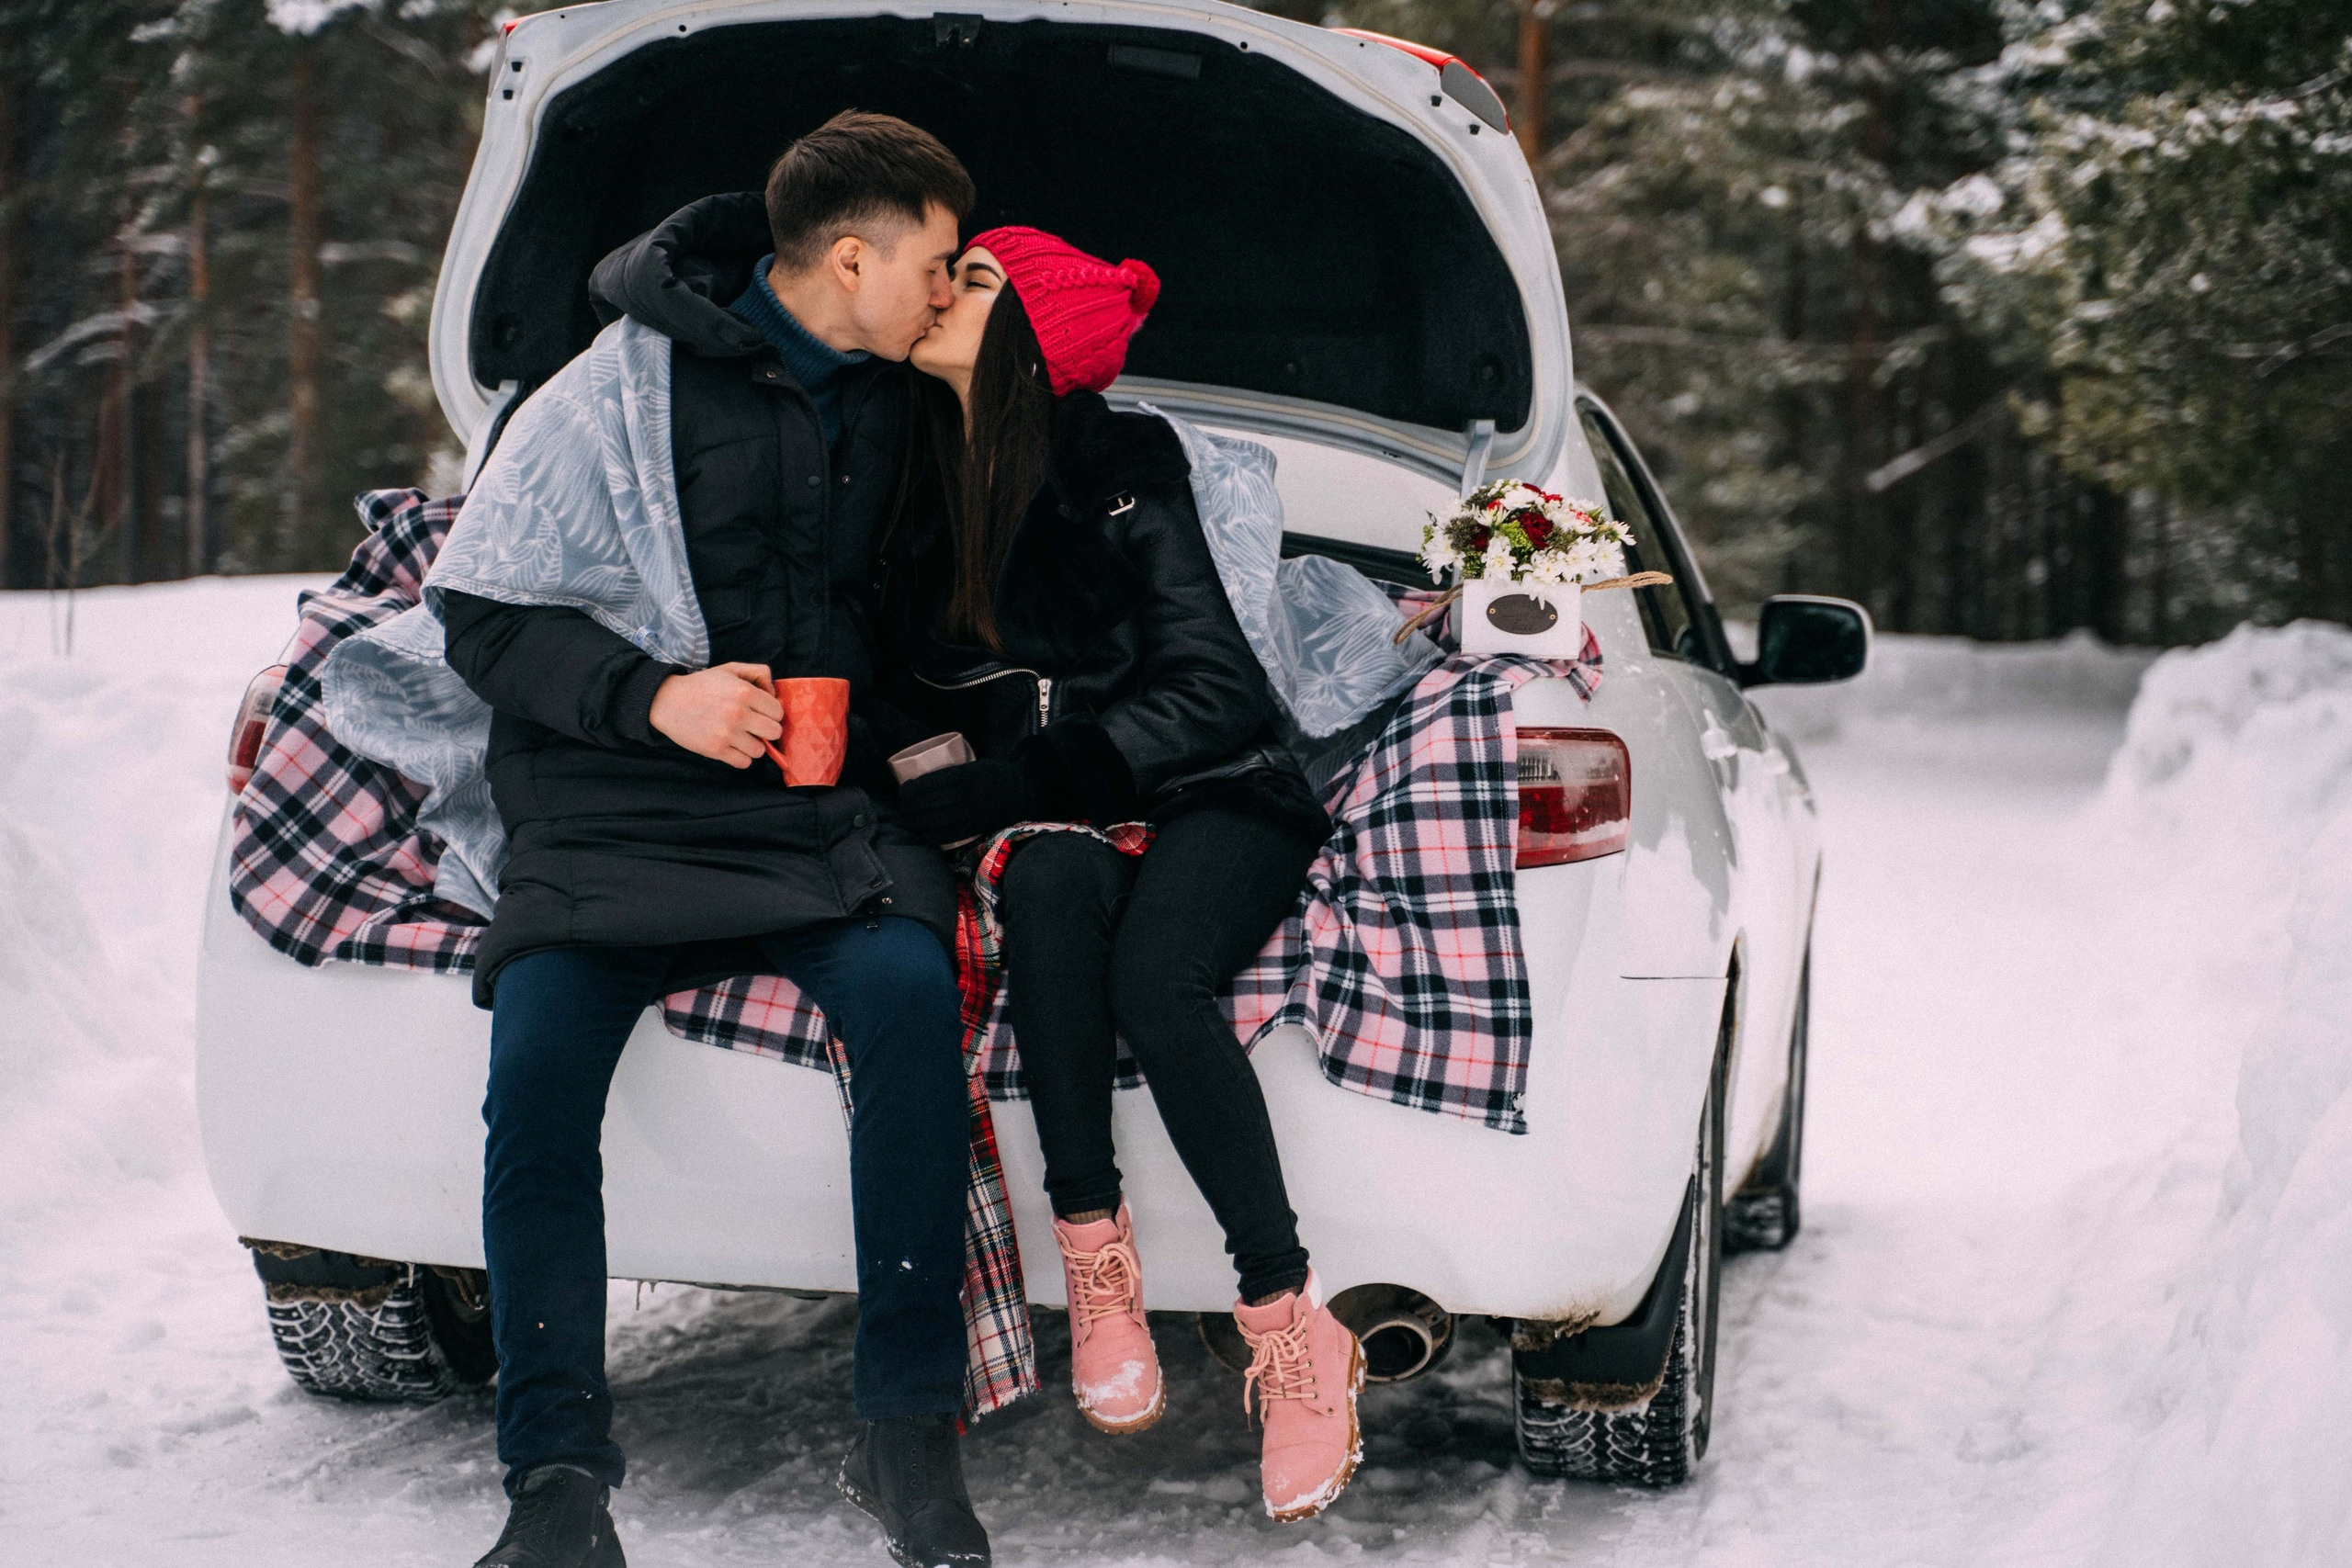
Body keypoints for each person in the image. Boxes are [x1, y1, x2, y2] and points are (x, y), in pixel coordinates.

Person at [440, 113, 993, 1568]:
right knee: (537, 1074)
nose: (951, 286)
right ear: (854, 259)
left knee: (911, 1003)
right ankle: (555, 1483)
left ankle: (909, 1436)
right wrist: (654, 697)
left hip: (813, 813)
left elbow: (950, 613)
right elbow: (483, 611)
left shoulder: (904, 403)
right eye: (939, 261)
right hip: (611, 807)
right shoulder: (606, 394)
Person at [881, 227, 1365, 1522]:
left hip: (1216, 789)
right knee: (1046, 892)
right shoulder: (912, 474)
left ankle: (1288, 1321)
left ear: (1034, 336)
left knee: (1158, 980)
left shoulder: (1118, 469)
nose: (943, 290)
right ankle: (1098, 1266)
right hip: (1058, 816)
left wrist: (1026, 777)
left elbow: (1216, 689)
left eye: (977, 279)